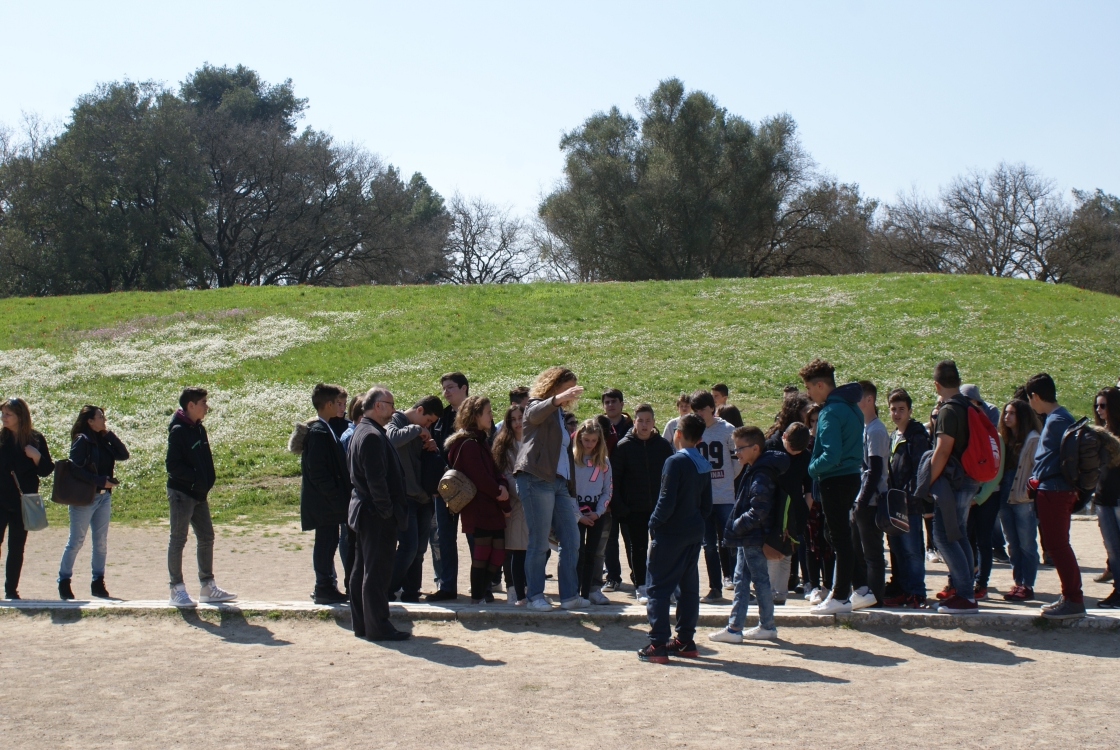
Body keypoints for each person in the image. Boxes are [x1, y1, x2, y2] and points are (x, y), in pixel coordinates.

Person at [639, 414, 712, 664]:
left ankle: (657, 644)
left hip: (670, 533)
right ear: (700, 439)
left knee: (658, 588)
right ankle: (685, 641)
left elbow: (665, 501)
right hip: (694, 532)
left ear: (677, 433)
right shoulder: (703, 463)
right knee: (688, 589)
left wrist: (653, 523)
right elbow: (707, 505)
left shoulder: (674, 461)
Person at [515, 366, 587, 611]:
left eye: (573, 389)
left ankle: (569, 596)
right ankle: (534, 596)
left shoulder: (559, 414)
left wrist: (571, 488)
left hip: (559, 484)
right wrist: (557, 399)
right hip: (535, 479)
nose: (572, 393)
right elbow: (534, 415)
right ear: (554, 385)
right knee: (539, 542)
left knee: (571, 539)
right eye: (568, 388)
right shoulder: (536, 404)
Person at [800, 359, 865, 615]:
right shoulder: (851, 407)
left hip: (835, 480)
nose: (808, 393)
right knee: (835, 535)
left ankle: (840, 596)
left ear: (819, 385)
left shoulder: (830, 411)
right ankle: (862, 589)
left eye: (808, 387)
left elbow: (830, 455)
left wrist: (811, 469)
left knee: (839, 537)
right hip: (851, 476)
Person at [709, 425, 785, 643]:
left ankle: (751, 627)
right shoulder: (759, 469)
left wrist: (735, 526)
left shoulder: (760, 474)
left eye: (740, 448)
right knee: (742, 580)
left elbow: (758, 510)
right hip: (751, 536)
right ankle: (747, 626)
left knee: (756, 581)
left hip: (753, 536)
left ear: (755, 448)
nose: (736, 453)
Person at [347, 386, 410, 641]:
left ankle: (364, 624)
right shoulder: (371, 435)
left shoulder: (362, 430)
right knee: (376, 573)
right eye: (390, 404)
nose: (394, 409)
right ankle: (378, 626)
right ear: (377, 406)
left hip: (366, 511)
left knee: (362, 569)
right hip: (375, 515)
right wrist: (387, 511)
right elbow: (377, 481)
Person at [165, 387, 236, 609]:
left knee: (206, 537)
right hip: (181, 493)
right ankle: (176, 589)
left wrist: (207, 480)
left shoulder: (199, 428)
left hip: (199, 494)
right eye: (203, 402)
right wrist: (195, 479)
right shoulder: (178, 430)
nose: (207, 406)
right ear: (191, 405)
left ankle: (207, 587)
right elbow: (172, 466)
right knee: (178, 539)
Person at [1027, 373, 1085, 620]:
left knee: (1057, 546)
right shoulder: (1060, 418)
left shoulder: (1056, 420)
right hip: (1055, 490)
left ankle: (1073, 599)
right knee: (1057, 544)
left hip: (1055, 490)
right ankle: (1069, 596)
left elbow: (1052, 460)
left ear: (1035, 396)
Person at [925, 361, 982, 615]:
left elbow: (942, 451)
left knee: (943, 536)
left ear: (936, 385)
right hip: (970, 477)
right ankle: (965, 591)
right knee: (958, 534)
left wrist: (928, 481)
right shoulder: (968, 406)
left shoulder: (948, 410)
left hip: (954, 481)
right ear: (958, 382)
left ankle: (965, 594)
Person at [57, 404, 129, 600]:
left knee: (101, 542)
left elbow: (123, 454)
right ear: (90, 421)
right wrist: (99, 481)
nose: (104, 420)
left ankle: (98, 582)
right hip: (84, 498)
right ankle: (64, 581)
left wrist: (108, 434)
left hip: (104, 497)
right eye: (100, 417)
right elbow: (75, 469)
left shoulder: (103, 440)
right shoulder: (82, 440)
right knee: (76, 541)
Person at [445, 395, 511, 605]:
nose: (491, 416)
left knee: (497, 553)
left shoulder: (479, 440)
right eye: (488, 412)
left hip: (491, 506)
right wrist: (502, 496)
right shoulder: (468, 444)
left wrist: (502, 485)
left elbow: (494, 470)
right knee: (482, 555)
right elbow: (481, 478)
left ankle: (481, 592)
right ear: (475, 416)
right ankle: (477, 597)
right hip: (479, 507)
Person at [611, 404, 674, 602]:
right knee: (638, 548)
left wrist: (669, 505)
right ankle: (641, 586)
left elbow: (671, 478)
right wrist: (622, 508)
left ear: (654, 422)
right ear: (634, 422)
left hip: (659, 509)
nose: (644, 425)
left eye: (648, 421)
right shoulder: (623, 446)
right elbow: (615, 480)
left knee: (662, 549)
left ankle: (663, 585)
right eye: (640, 421)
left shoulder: (663, 446)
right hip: (633, 510)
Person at [299, 384, 353, 605]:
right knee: (325, 543)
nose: (342, 408)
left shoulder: (325, 428)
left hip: (327, 502)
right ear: (328, 404)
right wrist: (336, 497)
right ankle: (323, 587)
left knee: (329, 542)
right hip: (324, 503)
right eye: (337, 403)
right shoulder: (319, 432)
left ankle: (326, 585)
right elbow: (318, 471)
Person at [386, 395, 443, 603]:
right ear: (419, 410)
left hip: (424, 498)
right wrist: (417, 430)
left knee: (419, 550)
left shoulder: (420, 429)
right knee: (408, 547)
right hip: (405, 497)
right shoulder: (396, 420)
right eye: (428, 420)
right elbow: (391, 439)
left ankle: (411, 591)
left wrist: (432, 447)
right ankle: (386, 589)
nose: (428, 425)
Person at [0, 397, 54, 600]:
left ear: (20, 416)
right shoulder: (1, 439)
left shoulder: (35, 439)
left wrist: (36, 456)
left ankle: (11, 590)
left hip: (23, 503)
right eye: (2, 413)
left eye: (8, 414)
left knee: (16, 548)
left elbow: (46, 470)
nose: (3, 417)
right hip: (0, 501)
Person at [883, 388, 931, 608]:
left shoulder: (917, 436)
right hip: (893, 503)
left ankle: (917, 592)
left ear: (910, 410)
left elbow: (920, 470)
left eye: (901, 409)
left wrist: (911, 494)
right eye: (893, 409)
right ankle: (902, 588)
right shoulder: (893, 436)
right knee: (896, 548)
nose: (897, 413)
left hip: (909, 503)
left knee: (912, 549)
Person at [690, 390, 739, 603]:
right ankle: (715, 588)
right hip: (703, 498)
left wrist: (727, 478)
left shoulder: (727, 429)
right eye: (696, 410)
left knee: (732, 542)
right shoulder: (694, 431)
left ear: (712, 407)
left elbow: (738, 460)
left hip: (725, 495)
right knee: (708, 545)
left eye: (703, 409)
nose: (700, 414)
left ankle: (739, 586)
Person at [426, 372, 469, 602]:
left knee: (475, 537)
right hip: (444, 488)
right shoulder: (441, 417)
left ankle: (482, 586)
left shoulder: (476, 411)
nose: (446, 392)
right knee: (443, 537)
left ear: (464, 388)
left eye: (450, 387)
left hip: (472, 486)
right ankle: (447, 585)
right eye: (444, 388)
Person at [997, 399, 1042, 602]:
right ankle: (1018, 582)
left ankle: (1027, 584)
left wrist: (1029, 494)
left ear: (1022, 416)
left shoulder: (1033, 439)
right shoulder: (1004, 439)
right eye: (1006, 413)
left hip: (1023, 498)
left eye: (1012, 413)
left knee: (1026, 543)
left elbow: (1037, 470)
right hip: (1005, 495)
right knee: (1012, 543)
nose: (1007, 417)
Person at [764, 422, 812, 606]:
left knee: (787, 553)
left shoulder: (805, 455)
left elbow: (809, 488)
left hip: (794, 509)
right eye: (791, 449)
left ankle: (780, 594)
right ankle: (767, 593)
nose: (794, 453)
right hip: (772, 507)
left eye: (798, 451)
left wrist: (805, 510)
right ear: (784, 436)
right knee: (772, 551)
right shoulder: (770, 447)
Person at [850, 380, 889, 608]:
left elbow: (874, 470)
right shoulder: (865, 428)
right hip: (862, 499)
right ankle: (865, 593)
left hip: (870, 501)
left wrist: (862, 501)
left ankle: (876, 596)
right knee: (858, 550)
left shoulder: (875, 430)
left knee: (872, 553)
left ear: (869, 399)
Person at [572, 418, 614, 604]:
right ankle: (574, 592)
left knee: (593, 554)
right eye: (586, 440)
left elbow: (608, 490)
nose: (589, 444)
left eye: (593, 441)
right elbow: (567, 491)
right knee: (578, 554)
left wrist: (598, 512)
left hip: (596, 512)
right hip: (577, 512)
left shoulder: (604, 462)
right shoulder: (572, 461)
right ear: (579, 438)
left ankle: (587, 592)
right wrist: (578, 515)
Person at [493, 404, 528, 604]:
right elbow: (506, 475)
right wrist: (526, 495)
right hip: (516, 504)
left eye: (520, 418)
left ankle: (530, 589)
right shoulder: (505, 446)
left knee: (537, 550)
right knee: (516, 549)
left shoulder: (534, 440)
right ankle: (514, 590)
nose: (517, 422)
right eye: (513, 419)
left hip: (535, 503)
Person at [599, 388, 632, 592]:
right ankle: (612, 577)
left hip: (627, 490)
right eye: (607, 402)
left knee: (630, 537)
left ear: (621, 404)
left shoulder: (631, 427)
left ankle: (638, 576)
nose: (610, 405)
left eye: (614, 401)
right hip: (605, 488)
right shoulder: (598, 427)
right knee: (609, 539)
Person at [1091, 387, 1120, 608]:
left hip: (1118, 498)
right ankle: (1118, 590)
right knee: (1113, 550)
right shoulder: (1098, 434)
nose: (1099, 410)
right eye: (1097, 406)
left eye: (1103, 405)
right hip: (1103, 498)